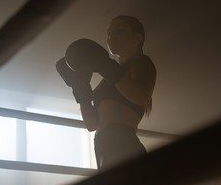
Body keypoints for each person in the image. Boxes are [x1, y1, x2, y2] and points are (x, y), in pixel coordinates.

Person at [56, 15, 156, 170]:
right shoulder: (106, 81)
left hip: (121, 139)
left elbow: (140, 96)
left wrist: (105, 66)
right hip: (102, 142)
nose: (112, 36)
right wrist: (80, 88)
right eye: (109, 33)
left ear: (137, 37)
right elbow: (92, 124)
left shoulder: (142, 62)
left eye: (120, 31)